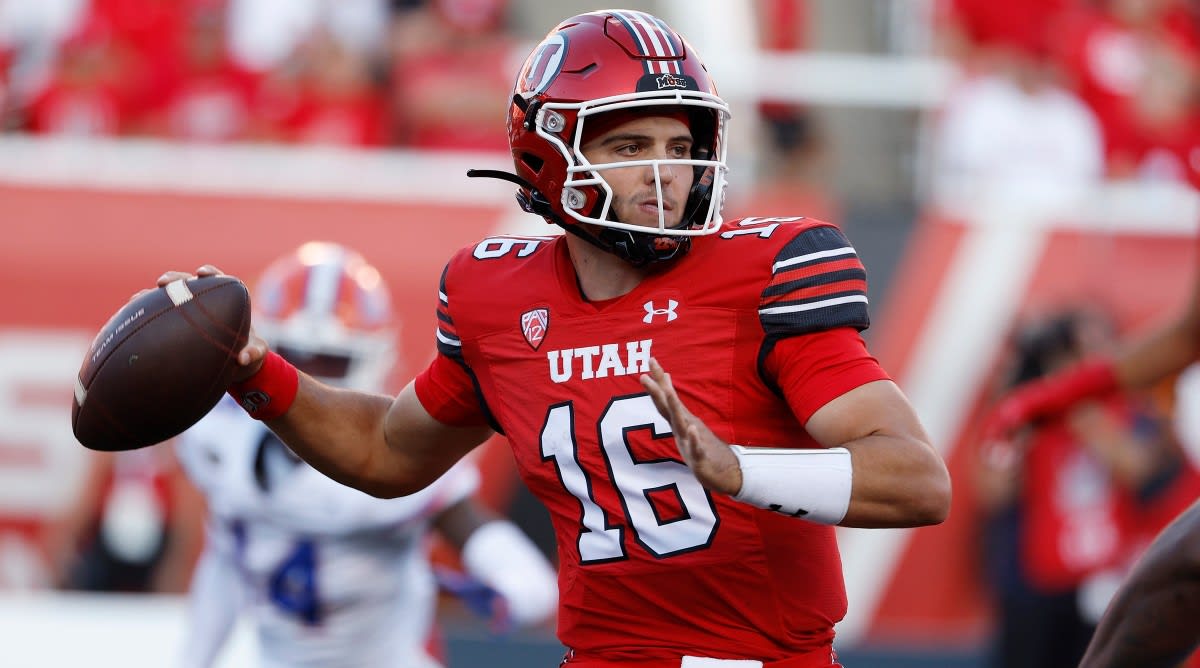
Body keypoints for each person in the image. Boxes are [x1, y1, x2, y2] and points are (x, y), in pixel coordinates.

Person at [158, 10, 951, 666]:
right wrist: (256, 372)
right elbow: (386, 453)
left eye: (680, 147)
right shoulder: (497, 298)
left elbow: (917, 480)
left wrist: (740, 470)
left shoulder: (763, 272)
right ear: (547, 155)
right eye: (630, 147)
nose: (665, 174)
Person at [175, 242, 557, 668]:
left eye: (332, 361)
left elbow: (478, 532)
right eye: (294, 357)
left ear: (373, 360)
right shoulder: (219, 439)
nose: (307, 377)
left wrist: (515, 583)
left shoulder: (394, 451)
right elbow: (225, 560)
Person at [982, 235, 1200, 667]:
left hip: (1102, 573)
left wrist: (1071, 398)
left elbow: (1137, 466)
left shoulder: (1124, 405)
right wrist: (1037, 393)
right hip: (1042, 578)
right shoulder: (1034, 409)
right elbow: (991, 488)